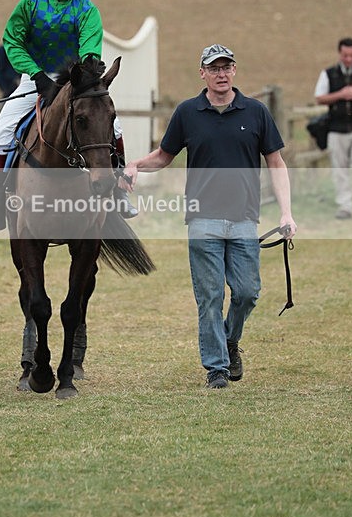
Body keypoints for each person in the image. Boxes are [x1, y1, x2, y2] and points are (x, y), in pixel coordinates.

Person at [121, 44, 297, 389]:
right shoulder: (188, 113)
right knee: (211, 296)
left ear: (234, 70)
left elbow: (276, 163)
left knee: (247, 292)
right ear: (202, 73)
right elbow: (164, 156)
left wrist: (287, 213)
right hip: (202, 220)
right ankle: (216, 368)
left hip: (245, 218)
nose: (221, 74)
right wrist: (135, 165)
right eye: (214, 68)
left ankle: (230, 341)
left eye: (226, 67)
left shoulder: (256, 112)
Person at [0, 0, 137, 236]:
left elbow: (90, 44)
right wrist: (38, 76)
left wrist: (87, 68)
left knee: (113, 128)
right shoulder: (30, 3)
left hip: (75, 80)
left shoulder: (87, 9)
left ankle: (119, 193)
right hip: (33, 78)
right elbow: (13, 41)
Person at [314, 37, 352, 219]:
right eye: (345, 55)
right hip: (336, 129)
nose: (348, 59)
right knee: (340, 169)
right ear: (340, 54)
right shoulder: (328, 74)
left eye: (351, 55)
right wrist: (340, 94)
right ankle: (345, 206)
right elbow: (319, 97)